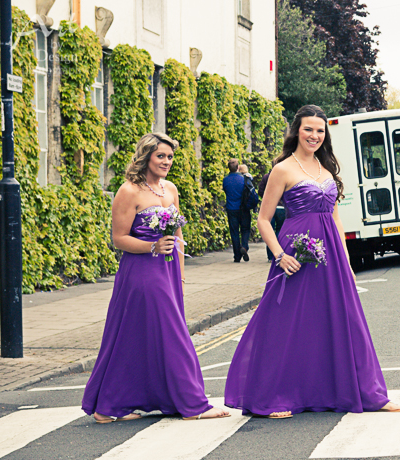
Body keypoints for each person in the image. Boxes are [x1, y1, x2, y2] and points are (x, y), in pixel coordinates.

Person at [224, 105, 400, 417]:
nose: (315, 135)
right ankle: (270, 398)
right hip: (295, 254)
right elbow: (263, 220)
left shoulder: (327, 170)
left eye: (320, 130)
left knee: (343, 321)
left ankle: (368, 393)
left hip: (331, 254)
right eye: (309, 129)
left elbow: (336, 222)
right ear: (296, 131)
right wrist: (280, 256)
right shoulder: (282, 169)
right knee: (284, 323)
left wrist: (347, 263)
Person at [82, 133, 229, 423]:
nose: (166, 162)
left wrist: (182, 278)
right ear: (146, 156)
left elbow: (178, 236)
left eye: (170, 157)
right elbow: (119, 239)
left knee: (136, 337)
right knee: (173, 336)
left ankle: (108, 407)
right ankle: (192, 404)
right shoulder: (128, 191)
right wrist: (151, 246)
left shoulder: (170, 190)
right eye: (161, 156)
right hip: (142, 273)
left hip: (169, 271)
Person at [222, 158, 250, 262]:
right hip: (243, 208)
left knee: (234, 232)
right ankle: (244, 246)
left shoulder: (226, 180)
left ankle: (237, 256)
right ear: (238, 167)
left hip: (231, 208)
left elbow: (225, 190)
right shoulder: (243, 179)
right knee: (245, 229)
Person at [258, 173, 288, 262]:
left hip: (270, 208)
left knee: (269, 230)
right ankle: (279, 253)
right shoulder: (285, 175)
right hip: (281, 207)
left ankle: (270, 256)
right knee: (279, 229)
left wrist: (268, 199)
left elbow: (260, 191)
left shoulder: (266, 177)